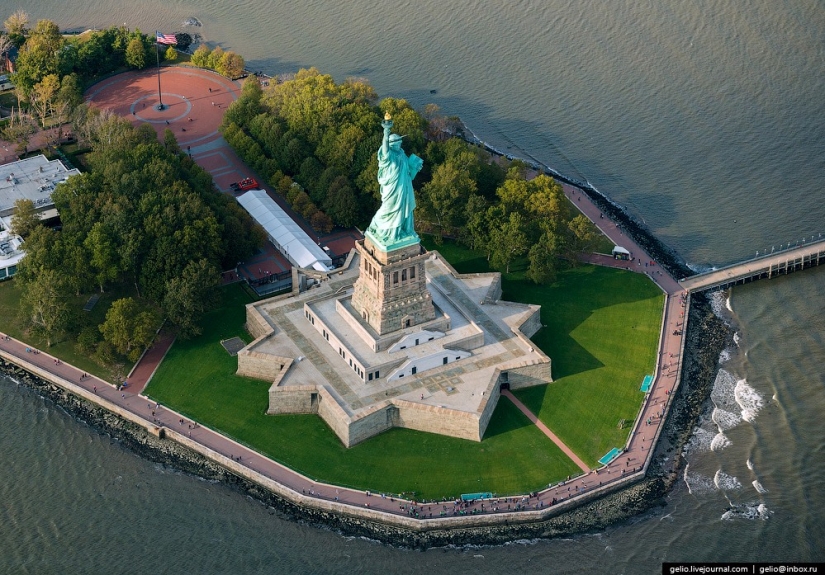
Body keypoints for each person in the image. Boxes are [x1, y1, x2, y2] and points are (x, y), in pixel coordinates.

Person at [364, 113, 423, 251]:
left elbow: (408, 173)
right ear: (392, 144)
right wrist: (386, 131)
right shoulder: (388, 156)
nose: (400, 145)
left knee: (403, 210)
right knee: (387, 209)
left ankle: (399, 232)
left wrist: (415, 167)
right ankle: (376, 226)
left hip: (404, 187)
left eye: (400, 143)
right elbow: (385, 146)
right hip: (392, 189)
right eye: (398, 143)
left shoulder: (401, 153)